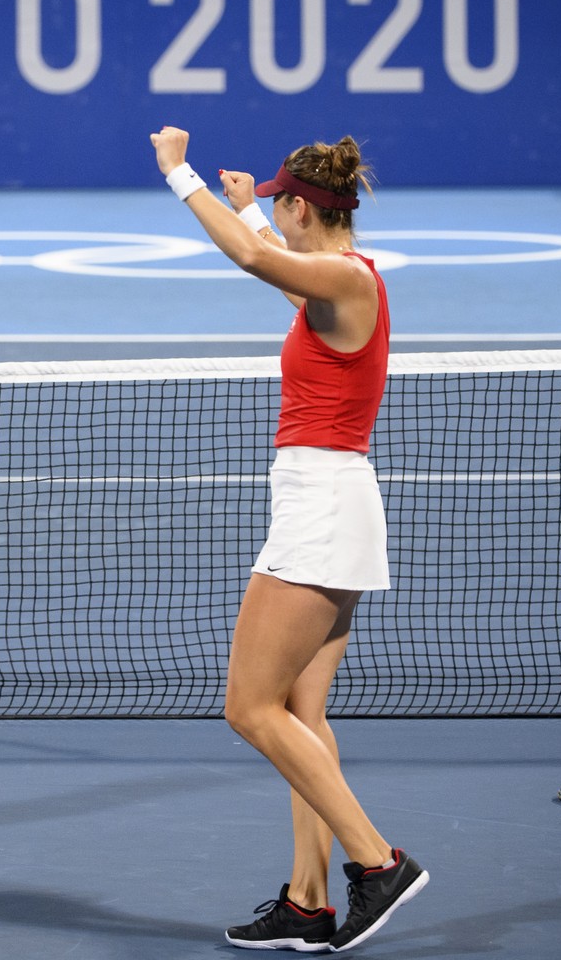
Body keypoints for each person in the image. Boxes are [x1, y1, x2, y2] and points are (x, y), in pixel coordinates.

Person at [149, 126, 427, 951]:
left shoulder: (341, 279)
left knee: (249, 706)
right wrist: (252, 213)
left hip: (320, 516)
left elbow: (253, 261)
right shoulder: (345, 282)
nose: (274, 212)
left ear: (305, 209)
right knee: (302, 711)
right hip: (333, 511)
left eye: (279, 204)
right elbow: (279, 269)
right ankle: (308, 903)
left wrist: (179, 174)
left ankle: (377, 863)